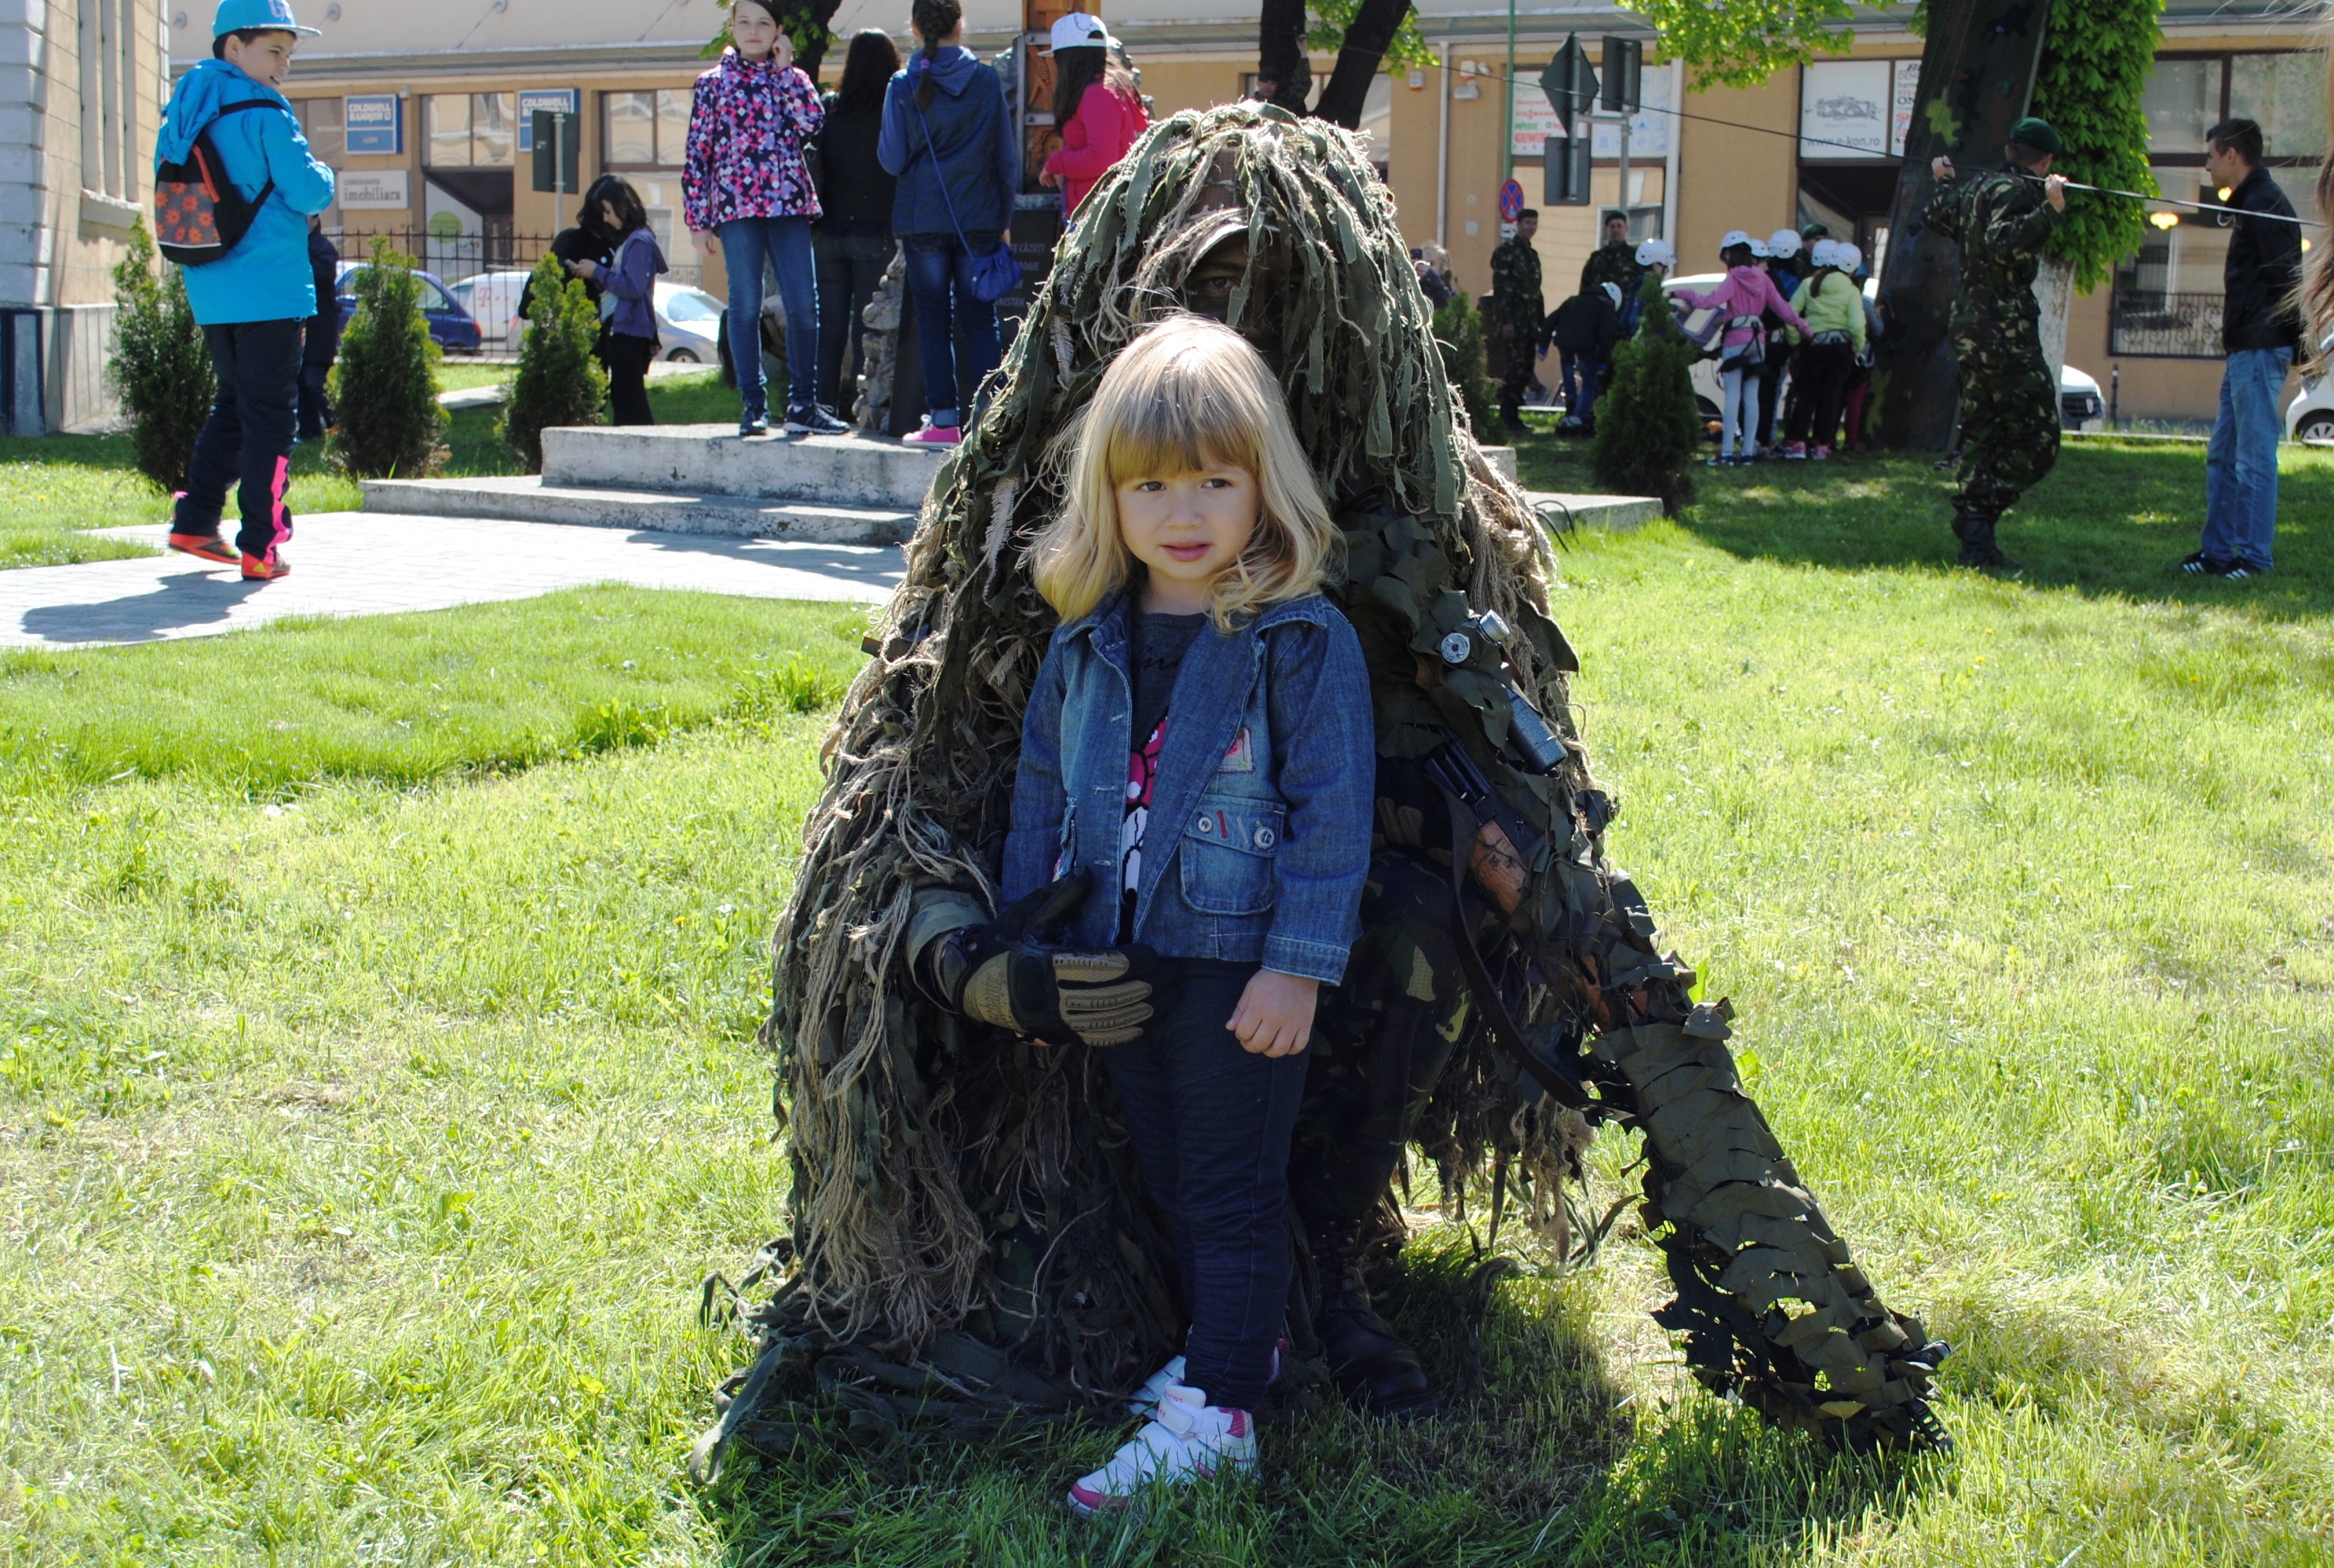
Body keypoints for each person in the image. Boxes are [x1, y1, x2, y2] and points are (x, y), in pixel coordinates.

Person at [1002, 316, 1374, 1512]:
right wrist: (1032, 941)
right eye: (1150, 483)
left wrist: (1297, 968)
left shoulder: (1294, 640)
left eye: (1214, 479)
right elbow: (1044, 796)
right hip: (1120, 958)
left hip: (1235, 965)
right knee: (1166, 1166)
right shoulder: (1086, 640)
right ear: (1106, 498)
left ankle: (1217, 1410)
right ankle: (1237, 1344)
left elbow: (1330, 814)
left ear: (1263, 485)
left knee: (1227, 1182)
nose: (1182, 510)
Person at [156, 0, 336, 581]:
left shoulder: (183, 108)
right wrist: (326, 175)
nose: (284, 65)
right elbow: (308, 191)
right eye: (274, 50)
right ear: (233, 46)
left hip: (211, 287)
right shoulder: (266, 112)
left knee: (234, 403)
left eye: (288, 53)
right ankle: (263, 544)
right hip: (272, 290)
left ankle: (196, 518)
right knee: (271, 419)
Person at [685, 0, 840, 438]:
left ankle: (804, 404)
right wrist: (697, 219)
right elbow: (698, 155)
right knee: (746, 303)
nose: (753, 31)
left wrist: (788, 70)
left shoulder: (792, 79)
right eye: (744, 23)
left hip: (789, 205)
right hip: (736, 208)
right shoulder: (712, 84)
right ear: (732, 27)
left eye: (763, 24)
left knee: (804, 305)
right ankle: (753, 405)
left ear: (779, 31)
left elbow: (813, 122)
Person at [1925, 116, 2069, 570]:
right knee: (2039, 437)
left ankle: (1976, 543)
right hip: (2003, 332)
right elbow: (2001, 241)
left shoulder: (1976, 189)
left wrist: (1943, 183)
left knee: (1981, 433)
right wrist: (2049, 209)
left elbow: (1939, 215)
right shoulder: (2015, 192)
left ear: (2009, 148)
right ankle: (1977, 515)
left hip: (1968, 327)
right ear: (2045, 160)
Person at [878, 0, 1017, 446]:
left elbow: (892, 158)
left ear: (915, 28)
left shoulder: (902, 83)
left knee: (933, 320)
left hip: (922, 221)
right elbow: (1005, 157)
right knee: (980, 319)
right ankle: (991, 422)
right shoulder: (984, 80)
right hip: (977, 219)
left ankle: (942, 421)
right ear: (960, 25)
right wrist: (1004, 218)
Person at [2182, 117, 2304, 581]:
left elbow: (2287, 281)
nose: (2206, 165)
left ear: (2232, 155)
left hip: (2259, 347)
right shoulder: (2251, 201)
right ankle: (2215, 553)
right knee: (2222, 455)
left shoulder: (2265, 203)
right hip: (2242, 351)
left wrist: (2297, 345)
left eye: (2211, 156)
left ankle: (2253, 559)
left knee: (2254, 459)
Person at [812, 28, 901, 420]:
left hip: (828, 230)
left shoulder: (829, 109)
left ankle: (820, 404)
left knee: (828, 327)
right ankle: (859, 405)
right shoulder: (892, 111)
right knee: (865, 329)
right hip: (875, 232)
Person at [1677, 230, 1806, 466]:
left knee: (1733, 396)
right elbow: (1784, 310)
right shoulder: (1763, 278)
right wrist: (1807, 330)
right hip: (1758, 342)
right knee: (1752, 397)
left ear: (1729, 256)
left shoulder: (1734, 278)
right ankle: (1748, 452)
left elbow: (1710, 302)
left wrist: (1682, 293)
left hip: (1735, 341)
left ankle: (1727, 453)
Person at [569, 178, 667, 426]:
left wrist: (598, 273)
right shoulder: (633, 240)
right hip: (622, 324)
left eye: (609, 211)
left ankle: (641, 446)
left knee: (629, 397)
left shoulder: (639, 242)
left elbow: (633, 288)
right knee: (623, 396)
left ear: (623, 206)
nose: (606, 219)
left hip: (628, 327)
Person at [1040, 12, 1148, 220]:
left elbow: (1100, 160)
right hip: (1098, 214)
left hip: (1100, 218)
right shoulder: (1102, 90)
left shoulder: (1098, 95)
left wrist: (1056, 162)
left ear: (1068, 59)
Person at [1782, 240, 1866, 459]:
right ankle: (1822, 445)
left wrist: (1795, 342)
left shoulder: (1810, 284)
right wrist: (1858, 348)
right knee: (1831, 397)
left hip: (1814, 347)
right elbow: (1857, 325)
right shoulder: (1851, 290)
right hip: (1841, 349)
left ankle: (1798, 444)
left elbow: (1790, 316)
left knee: (1807, 395)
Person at [1490, 208, 1543, 430]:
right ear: (1518, 225)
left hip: (1529, 322)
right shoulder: (1506, 252)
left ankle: (1514, 414)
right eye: (1527, 223)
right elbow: (1502, 289)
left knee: (1526, 368)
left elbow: (1536, 291)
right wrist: (1506, 321)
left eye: (1534, 223)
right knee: (1514, 367)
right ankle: (1507, 414)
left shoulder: (1532, 255)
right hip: (1514, 320)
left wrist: (1542, 321)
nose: (1531, 227)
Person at [1547, 280, 1621, 432]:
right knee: (1589, 382)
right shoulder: (1605, 306)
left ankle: (1571, 404)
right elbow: (1606, 334)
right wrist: (1602, 361)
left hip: (1564, 345)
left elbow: (1551, 320)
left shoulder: (1573, 300)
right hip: (1587, 347)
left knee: (1569, 378)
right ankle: (1580, 418)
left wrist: (1542, 346)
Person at [1756, 228, 1804, 452]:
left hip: (1755, 341)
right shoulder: (1793, 282)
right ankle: (1769, 438)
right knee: (1773, 391)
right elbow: (1791, 314)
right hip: (1778, 343)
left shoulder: (1761, 277)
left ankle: (1756, 437)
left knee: (1755, 392)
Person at [298, 215, 339, 441]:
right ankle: (309, 432)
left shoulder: (323, 248)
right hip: (300, 327)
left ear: (314, 220)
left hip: (320, 328)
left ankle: (336, 424)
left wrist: (300, 260)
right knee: (300, 382)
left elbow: (323, 275)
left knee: (315, 381)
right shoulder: (296, 246)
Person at [1579, 209, 1638, 297]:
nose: (1616, 230)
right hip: (1600, 307)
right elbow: (1585, 287)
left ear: (1626, 228)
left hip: (1626, 308)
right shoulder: (1596, 258)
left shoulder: (1636, 257)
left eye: (1619, 226)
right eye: (1612, 226)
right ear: (1607, 230)